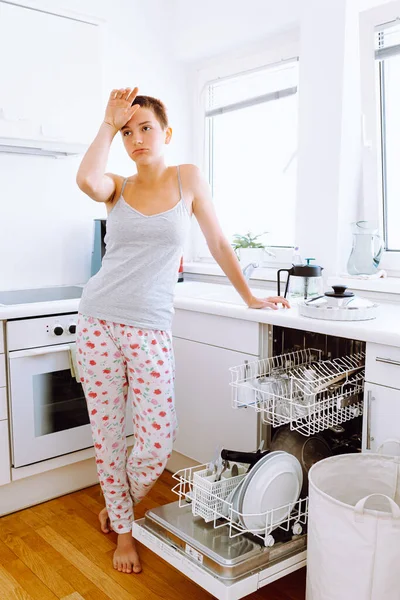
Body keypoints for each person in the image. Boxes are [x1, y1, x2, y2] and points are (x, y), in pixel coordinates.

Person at [75, 86, 290, 576]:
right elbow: (87, 179)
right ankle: (124, 532)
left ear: (166, 132)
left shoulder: (186, 178)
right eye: (128, 132)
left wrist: (250, 296)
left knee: (155, 441)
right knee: (108, 435)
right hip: (99, 321)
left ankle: (120, 502)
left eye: (144, 128)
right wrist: (107, 124)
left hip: (149, 328)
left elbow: (216, 239)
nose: (136, 139)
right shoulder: (118, 186)